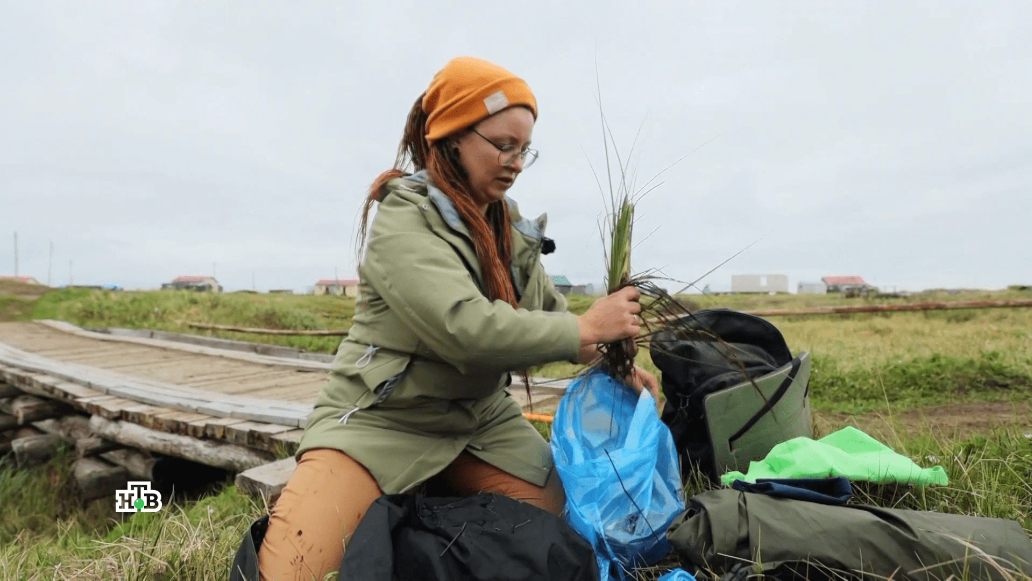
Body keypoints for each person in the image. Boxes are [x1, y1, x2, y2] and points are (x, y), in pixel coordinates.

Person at [255, 56, 659, 580]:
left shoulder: (509, 229)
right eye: (502, 145)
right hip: (385, 418)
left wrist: (611, 360)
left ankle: (433, 496)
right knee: (293, 569)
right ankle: (388, 493)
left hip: (476, 418)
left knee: (568, 523)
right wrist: (586, 327)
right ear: (451, 139)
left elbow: (555, 324)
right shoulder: (404, 219)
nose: (514, 162)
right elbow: (464, 327)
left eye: (524, 149)